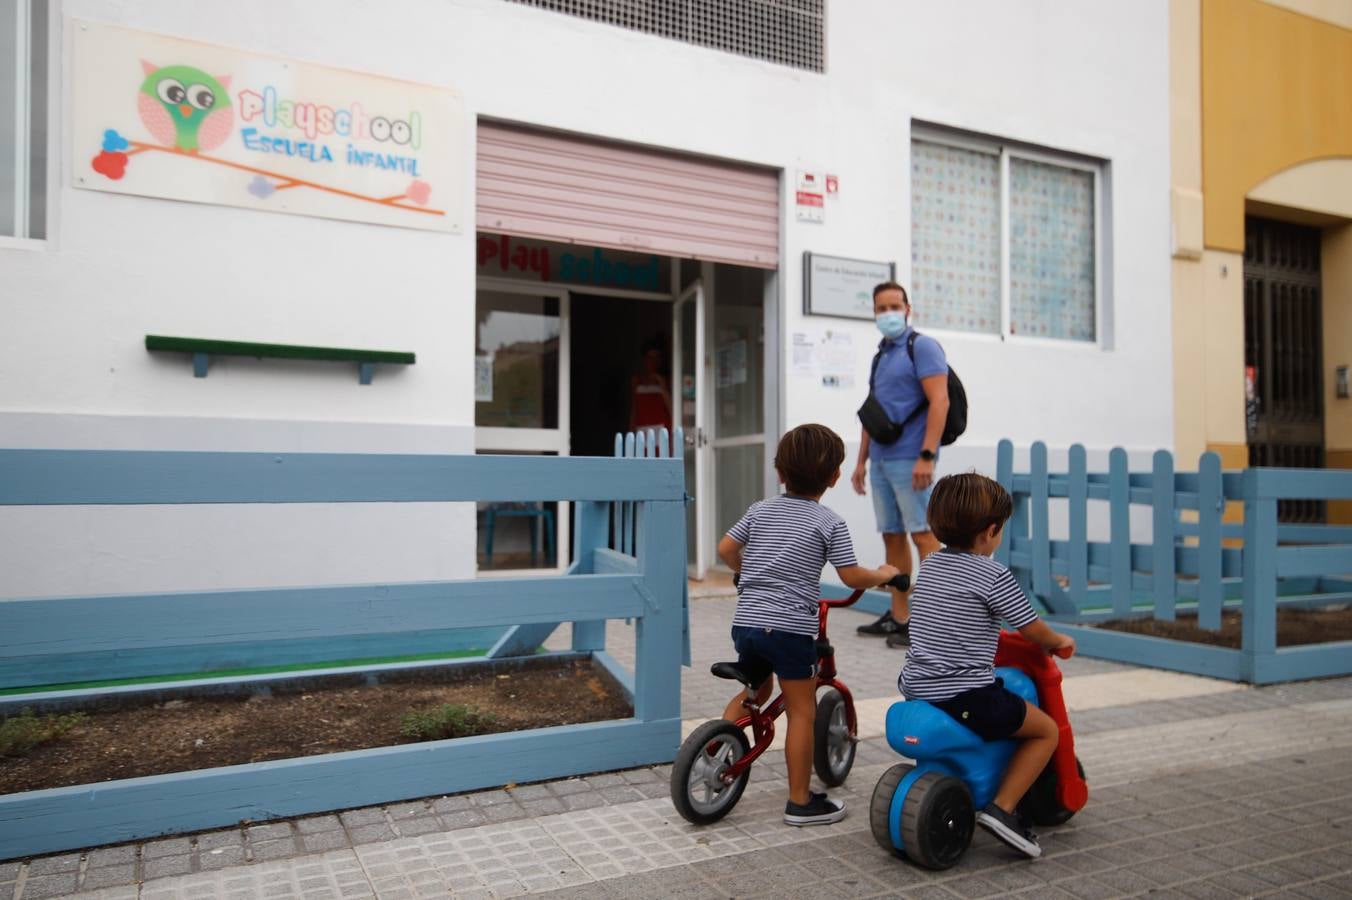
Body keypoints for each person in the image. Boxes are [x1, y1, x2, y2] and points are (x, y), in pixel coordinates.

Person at [718, 423, 900, 826]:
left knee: (755, 688)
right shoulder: (829, 522)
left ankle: (716, 751)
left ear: (779, 472)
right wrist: (882, 574)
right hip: (789, 631)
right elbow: (851, 576)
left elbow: (726, 547)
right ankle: (800, 801)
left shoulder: (760, 509)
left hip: (747, 623)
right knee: (803, 711)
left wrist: (743, 570)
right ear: (835, 477)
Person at [899, 473, 1076, 859]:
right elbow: (1029, 628)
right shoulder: (992, 575)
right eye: (1000, 531)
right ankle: (1003, 809)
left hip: (916, 687)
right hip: (964, 695)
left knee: (1001, 700)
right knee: (1045, 731)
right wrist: (1058, 641)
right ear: (990, 531)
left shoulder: (929, 566)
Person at [852, 281, 949, 649]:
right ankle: (900, 615)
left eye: (894, 306)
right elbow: (871, 413)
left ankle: (932, 623)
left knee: (923, 535)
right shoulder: (880, 355)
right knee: (892, 536)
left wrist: (927, 455)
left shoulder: (921, 347)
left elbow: (939, 402)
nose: (887, 313)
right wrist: (861, 461)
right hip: (881, 460)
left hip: (912, 458)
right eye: (880, 308)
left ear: (908, 309)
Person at [628, 340, 672, 435]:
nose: (653, 362)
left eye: (657, 358)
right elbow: (634, 409)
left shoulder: (667, 379)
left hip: (663, 430)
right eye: (650, 358)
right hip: (642, 429)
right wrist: (631, 432)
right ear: (644, 359)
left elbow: (672, 408)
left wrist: (663, 387)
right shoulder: (637, 380)